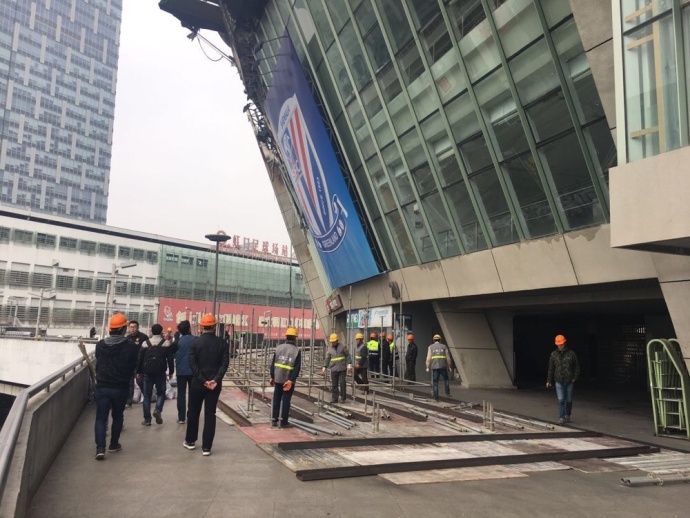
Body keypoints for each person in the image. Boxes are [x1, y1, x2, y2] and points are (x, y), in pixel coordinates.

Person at [93, 313, 139, 460]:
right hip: (121, 387)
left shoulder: (100, 346)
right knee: (118, 415)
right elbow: (133, 366)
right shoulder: (131, 347)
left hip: (102, 386)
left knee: (101, 417)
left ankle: (100, 448)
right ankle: (113, 444)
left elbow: (99, 363)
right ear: (122, 329)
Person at [184, 313, 229, 456]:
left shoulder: (195, 343)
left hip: (197, 384)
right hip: (214, 386)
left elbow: (192, 364)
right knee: (210, 414)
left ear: (202, 326)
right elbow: (224, 364)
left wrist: (203, 380)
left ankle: (190, 441)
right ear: (215, 327)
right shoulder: (222, 343)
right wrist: (215, 380)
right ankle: (206, 447)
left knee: (193, 411)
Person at [136, 324, 174, 426]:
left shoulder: (145, 343)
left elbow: (140, 359)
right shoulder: (166, 343)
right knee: (161, 393)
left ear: (152, 331)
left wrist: (138, 372)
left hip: (147, 372)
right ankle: (157, 410)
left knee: (147, 396)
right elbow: (170, 359)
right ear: (161, 331)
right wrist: (171, 372)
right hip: (161, 372)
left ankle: (147, 420)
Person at [269, 327, 302, 427]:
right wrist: (291, 380)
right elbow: (297, 368)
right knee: (286, 401)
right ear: (295, 338)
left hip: (278, 378)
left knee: (276, 399)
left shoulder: (279, 348)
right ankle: (283, 422)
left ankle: (274, 419)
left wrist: (272, 376)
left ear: (286, 337)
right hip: (288, 380)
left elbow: (273, 363)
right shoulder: (296, 351)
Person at [546, 334, 580, 425]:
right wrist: (549, 380)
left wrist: (574, 378)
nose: (560, 345)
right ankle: (561, 417)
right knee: (561, 400)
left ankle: (567, 415)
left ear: (564, 343)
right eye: (559, 344)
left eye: (561, 344)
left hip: (569, 381)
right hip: (558, 381)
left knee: (568, 400)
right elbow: (551, 368)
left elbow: (576, 367)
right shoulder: (553, 354)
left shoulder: (571, 354)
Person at [174, 320, 195, 424]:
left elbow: (172, 354)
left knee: (181, 394)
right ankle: (191, 416)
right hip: (193, 372)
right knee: (192, 394)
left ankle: (181, 418)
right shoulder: (196, 340)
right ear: (189, 329)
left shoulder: (177, 341)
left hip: (180, 371)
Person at [126, 320, 151, 407]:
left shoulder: (143, 337)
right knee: (129, 383)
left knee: (140, 381)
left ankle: (148, 397)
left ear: (138, 327)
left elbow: (148, 350)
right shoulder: (127, 338)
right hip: (129, 364)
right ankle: (129, 402)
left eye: (134, 327)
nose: (132, 329)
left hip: (140, 363)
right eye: (131, 327)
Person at [321, 333, 351, 403]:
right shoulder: (329, 349)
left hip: (342, 368)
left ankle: (343, 398)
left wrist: (349, 364)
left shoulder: (343, 347)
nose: (333, 343)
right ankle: (335, 398)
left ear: (337, 340)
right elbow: (327, 359)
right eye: (332, 342)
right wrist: (324, 367)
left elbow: (347, 355)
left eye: (334, 341)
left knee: (342, 382)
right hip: (334, 369)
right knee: (334, 384)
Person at [426, 333, 453, 402]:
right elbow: (448, 358)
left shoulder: (431, 347)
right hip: (443, 366)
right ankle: (447, 393)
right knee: (446, 379)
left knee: (435, 382)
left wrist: (427, 367)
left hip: (435, 367)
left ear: (433, 340)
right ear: (440, 340)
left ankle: (436, 398)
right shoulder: (444, 347)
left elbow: (428, 358)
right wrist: (449, 366)